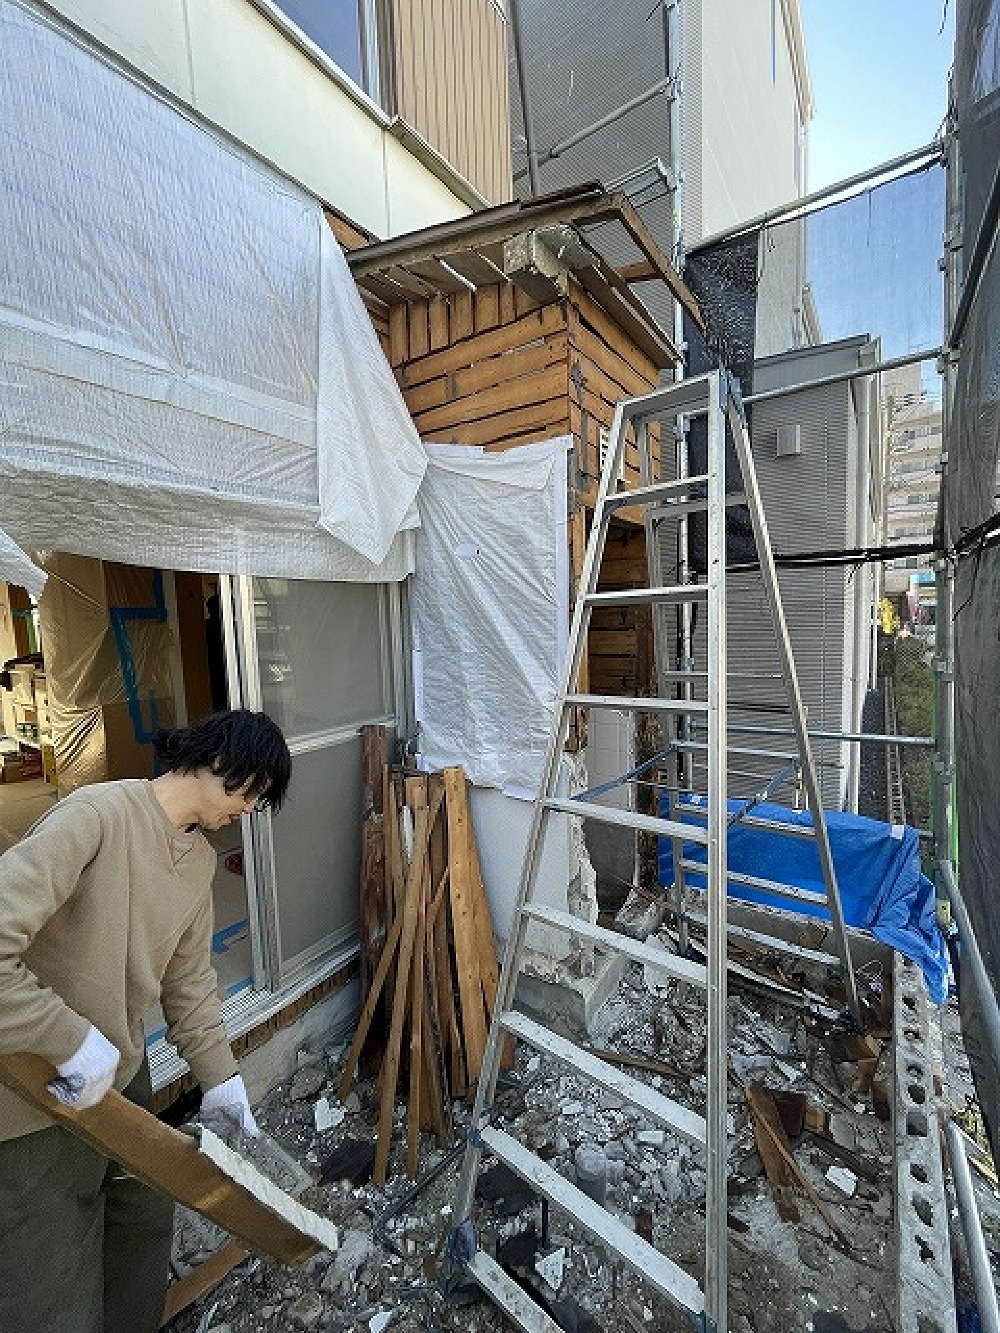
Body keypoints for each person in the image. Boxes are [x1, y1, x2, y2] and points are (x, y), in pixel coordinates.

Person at [0, 708, 291, 1333]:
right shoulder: (96, 816)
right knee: (51, 1277)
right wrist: (67, 1038)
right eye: (254, 790)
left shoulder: (198, 863)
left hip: (119, 1076)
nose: (251, 809)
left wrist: (220, 1076)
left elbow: (188, 983)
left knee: (141, 1221)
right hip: (31, 1089)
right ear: (220, 760)